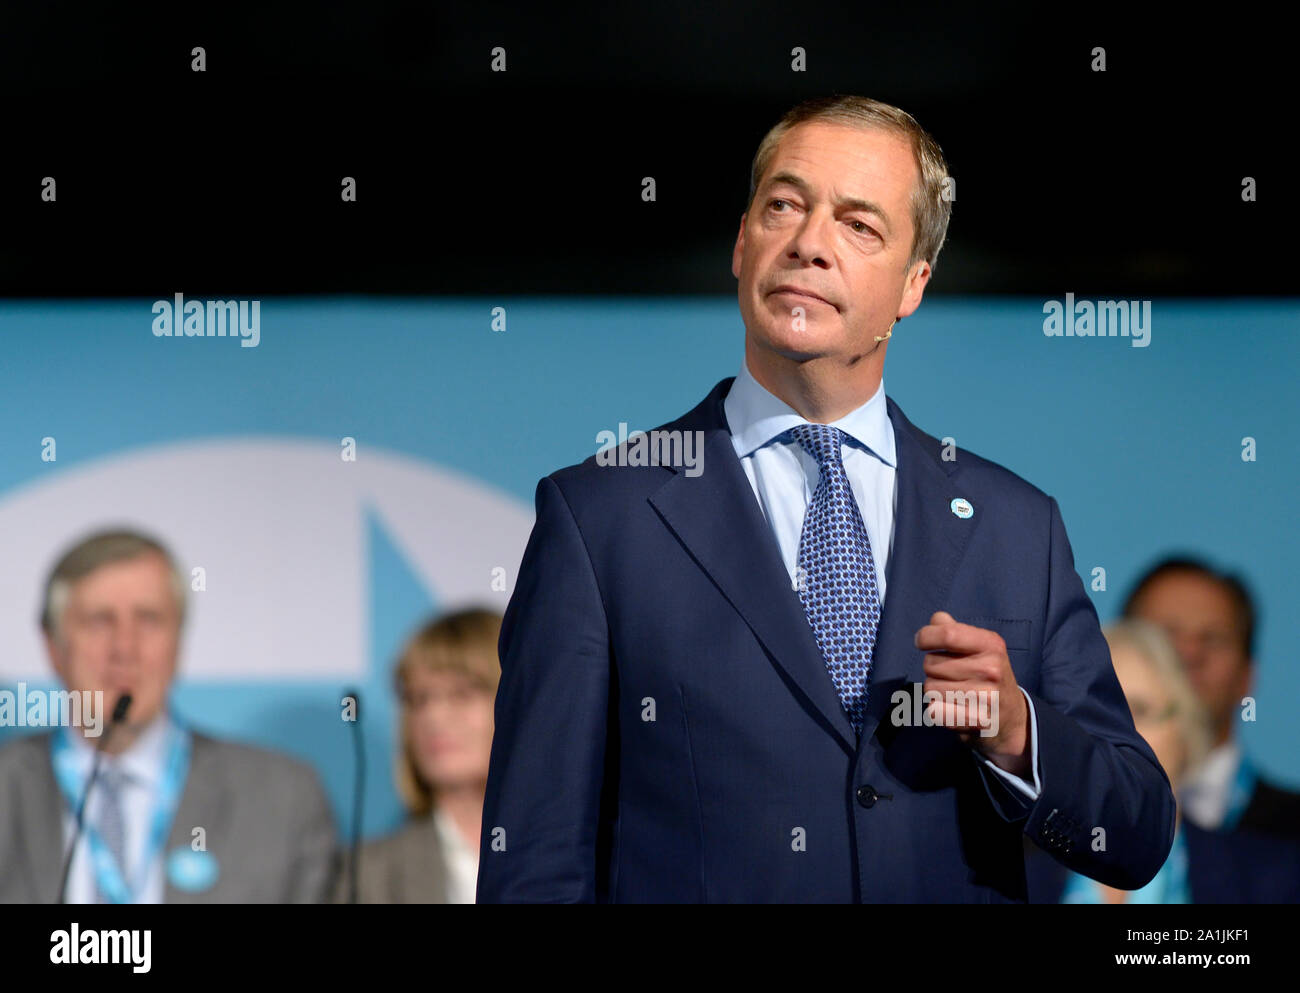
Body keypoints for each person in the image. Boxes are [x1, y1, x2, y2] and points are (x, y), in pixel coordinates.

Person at [477, 94, 1175, 903]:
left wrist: (1018, 731)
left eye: (858, 225)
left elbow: (1135, 832)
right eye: (784, 206)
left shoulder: (1017, 526)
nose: (809, 244)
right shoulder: (601, 517)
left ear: (914, 282)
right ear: (742, 242)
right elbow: (534, 860)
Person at [0, 529, 337, 903]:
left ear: (178, 643)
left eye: (148, 620)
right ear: (53, 647)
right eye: (99, 621)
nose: (124, 648)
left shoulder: (281, 799)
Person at [1027, 619, 1300, 903]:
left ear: (1186, 727)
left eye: (1140, 710)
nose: (1112, 736)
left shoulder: (1276, 880)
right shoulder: (1007, 881)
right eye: (1092, 715)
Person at [1123, 557, 1300, 838]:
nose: (1189, 654)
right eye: (1166, 635)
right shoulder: (1043, 825)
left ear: (1248, 676)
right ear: (1115, 659)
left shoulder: (1292, 835)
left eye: (1214, 639)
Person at [335, 609, 500, 903]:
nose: (433, 717)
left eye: (461, 694)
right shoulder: (364, 875)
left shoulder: (592, 857)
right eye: (419, 699)